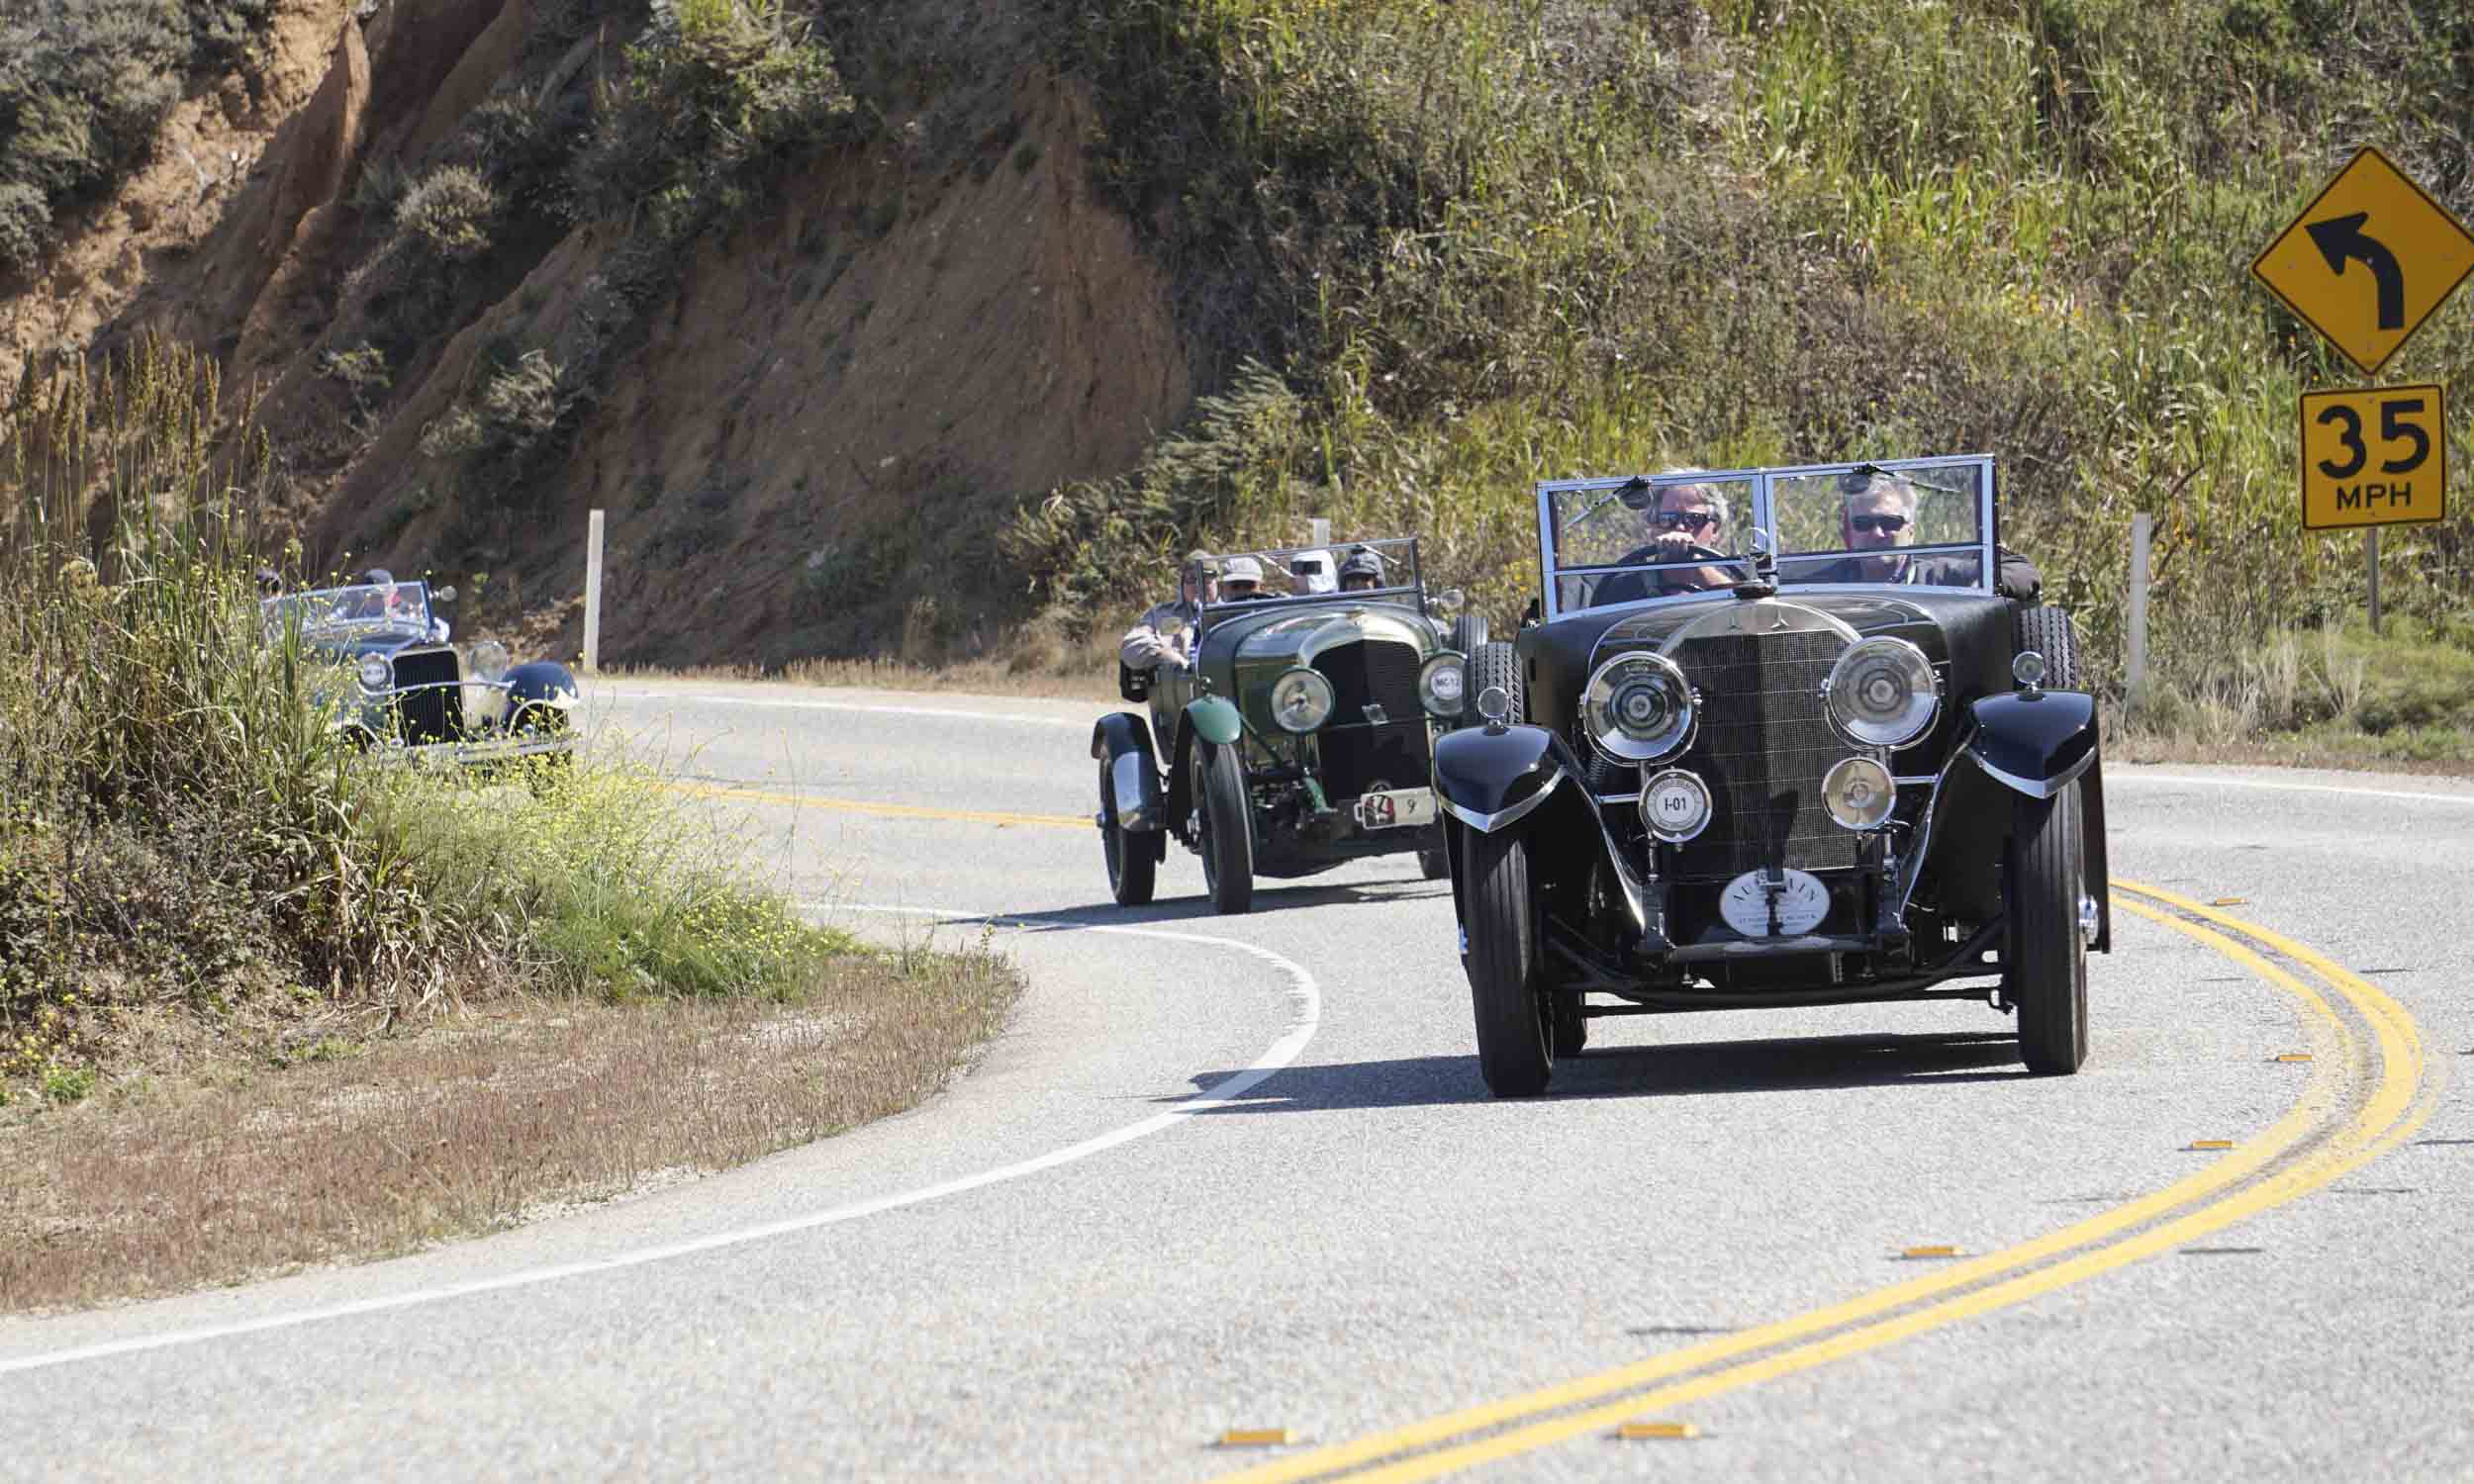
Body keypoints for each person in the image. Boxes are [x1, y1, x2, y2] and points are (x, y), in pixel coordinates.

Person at [1795, 466, 2043, 600]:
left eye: (1890, 523)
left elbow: (2022, 572)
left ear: (1911, 531)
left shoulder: (1941, 576)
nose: (1877, 533)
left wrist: (1986, 584)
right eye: (1863, 523)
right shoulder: (1824, 587)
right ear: (1849, 532)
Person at [1591, 475, 1738, 606]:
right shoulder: (1624, 587)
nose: (1680, 528)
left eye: (1694, 519)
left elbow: (1752, 609)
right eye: (1668, 519)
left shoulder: (1735, 576)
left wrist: (1699, 567)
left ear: (1715, 530)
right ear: (1653, 528)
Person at [1120, 551, 1218, 672]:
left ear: (1217, 582)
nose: (1198, 585)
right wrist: (1165, 655)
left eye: (1205, 579)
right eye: (1191, 579)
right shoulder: (1163, 615)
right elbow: (1131, 646)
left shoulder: (1232, 613)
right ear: (1182, 583)